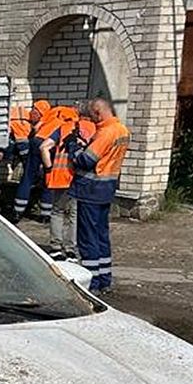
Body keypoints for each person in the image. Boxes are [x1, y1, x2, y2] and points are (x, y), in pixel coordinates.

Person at [68, 97, 130, 294]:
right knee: (102, 236)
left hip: (91, 190)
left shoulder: (106, 132)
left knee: (88, 238)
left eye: (92, 115)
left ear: (98, 112)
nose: (92, 119)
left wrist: (75, 149)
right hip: (107, 189)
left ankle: (91, 282)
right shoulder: (122, 130)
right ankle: (104, 279)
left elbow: (87, 160)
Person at [39, 106, 93, 261]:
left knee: (57, 212)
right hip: (79, 177)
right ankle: (70, 250)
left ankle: (55, 248)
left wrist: (48, 168)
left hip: (60, 176)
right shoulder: (94, 129)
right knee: (74, 214)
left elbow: (43, 147)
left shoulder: (64, 128)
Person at [10, 99, 51, 222]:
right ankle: (46, 214)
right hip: (48, 149)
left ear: (40, 113)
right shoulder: (52, 121)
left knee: (28, 178)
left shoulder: (40, 124)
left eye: (34, 110)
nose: (31, 113)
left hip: (39, 146)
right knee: (48, 180)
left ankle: (18, 212)